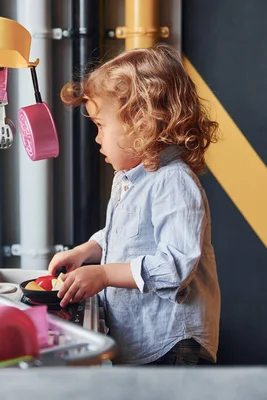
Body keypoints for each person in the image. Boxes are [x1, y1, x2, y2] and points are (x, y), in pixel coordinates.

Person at [48, 44, 221, 366]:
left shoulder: (173, 182)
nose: (97, 138)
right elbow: (128, 232)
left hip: (173, 343)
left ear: (143, 122)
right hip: (143, 337)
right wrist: (88, 249)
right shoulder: (131, 177)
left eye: (101, 126)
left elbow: (173, 267)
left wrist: (103, 275)